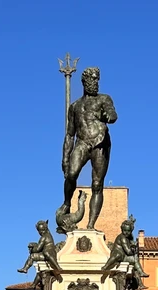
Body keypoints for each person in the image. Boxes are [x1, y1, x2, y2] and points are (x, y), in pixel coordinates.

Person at [61, 66, 118, 230]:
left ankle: (91, 225)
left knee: (97, 184)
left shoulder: (104, 99)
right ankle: (66, 203)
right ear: (84, 82)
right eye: (91, 80)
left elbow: (112, 114)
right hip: (82, 141)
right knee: (71, 174)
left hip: (100, 142)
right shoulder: (74, 106)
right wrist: (65, 157)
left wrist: (110, 117)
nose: (95, 83)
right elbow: (70, 134)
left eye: (97, 80)